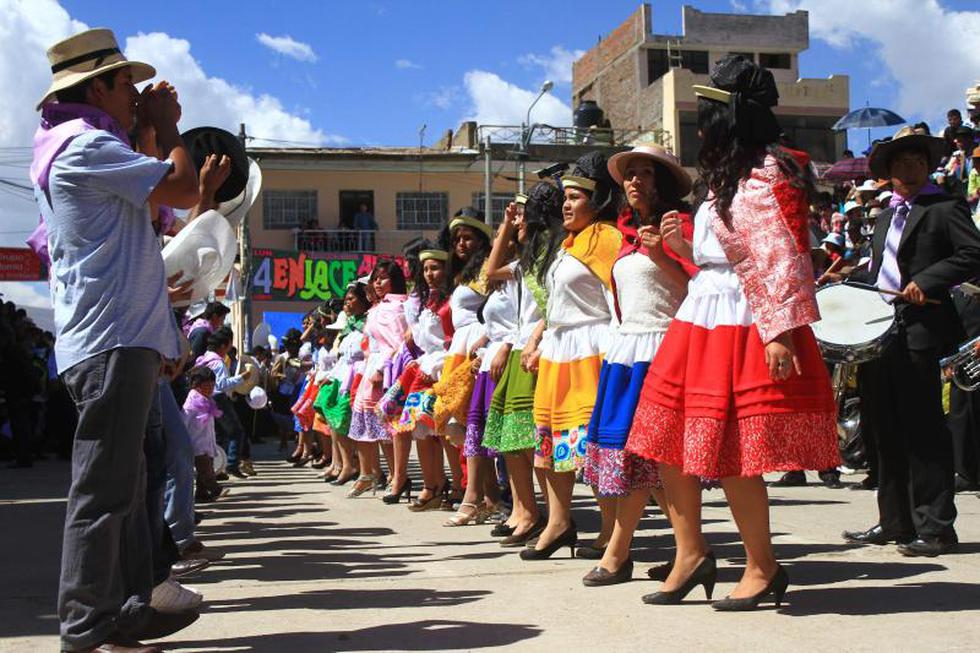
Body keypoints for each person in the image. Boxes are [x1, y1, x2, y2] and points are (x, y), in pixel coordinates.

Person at [626, 55, 840, 609]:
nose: (701, 127)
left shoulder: (772, 172)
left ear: (731, 118)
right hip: (702, 314)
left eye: (708, 116)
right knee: (666, 438)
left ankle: (762, 566)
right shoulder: (728, 177)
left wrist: (778, 330)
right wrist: (680, 250)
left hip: (745, 317)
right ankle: (690, 553)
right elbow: (724, 257)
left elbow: (783, 255)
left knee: (734, 451)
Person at [32, 28, 202, 651]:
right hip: (111, 343)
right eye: (127, 83)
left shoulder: (87, 146)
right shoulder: (85, 145)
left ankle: (126, 610)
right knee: (104, 493)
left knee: (126, 491)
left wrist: (147, 133)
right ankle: (86, 626)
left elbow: (145, 225)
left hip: (117, 340)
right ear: (97, 88)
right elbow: (183, 188)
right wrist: (169, 127)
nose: (135, 94)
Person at [843, 125, 980, 557]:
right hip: (879, 331)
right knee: (883, 427)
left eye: (919, 161)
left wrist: (928, 280)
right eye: (903, 162)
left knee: (924, 429)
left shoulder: (945, 208)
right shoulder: (885, 215)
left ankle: (936, 527)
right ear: (889, 171)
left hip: (921, 330)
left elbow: (972, 253)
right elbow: (880, 270)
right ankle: (894, 520)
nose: (912, 168)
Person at [581, 143, 691, 585]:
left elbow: (701, 287)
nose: (634, 180)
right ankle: (691, 551)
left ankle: (618, 552)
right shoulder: (626, 234)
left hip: (665, 350)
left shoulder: (679, 226)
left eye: (645, 172)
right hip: (628, 353)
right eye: (630, 173)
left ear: (662, 182)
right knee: (644, 461)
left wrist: (663, 254)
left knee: (645, 456)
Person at [519, 151, 623, 560]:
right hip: (559, 351)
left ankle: (611, 528)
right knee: (548, 446)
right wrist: (540, 340)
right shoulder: (569, 243)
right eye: (565, 197)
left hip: (592, 349)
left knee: (591, 445)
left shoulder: (606, 238)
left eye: (576, 197)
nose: (566, 204)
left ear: (597, 202)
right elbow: (556, 306)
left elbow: (617, 299)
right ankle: (559, 523)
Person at [482, 185, 563, 546]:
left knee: (532, 438)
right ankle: (524, 510)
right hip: (519, 348)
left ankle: (545, 514)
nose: (517, 223)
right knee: (511, 440)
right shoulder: (526, 261)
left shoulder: (552, 255)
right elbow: (490, 271)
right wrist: (503, 225)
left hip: (538, 347)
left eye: (521, 217)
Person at [432, 208, 494, 519]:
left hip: (478, 349)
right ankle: (488, 497)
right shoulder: (462, 275)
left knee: (473, 424)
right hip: (459, 349)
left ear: (482, 240)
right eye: (457, 238)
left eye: (468, 238)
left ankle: (475, 497)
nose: (461, 243)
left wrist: (485, 342)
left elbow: (499, 309)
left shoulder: (488, 269)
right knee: (461, 426)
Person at [347, 261, 409, 497]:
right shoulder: (378, 308)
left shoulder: (396, 307)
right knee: (366, 423)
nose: (377, 284)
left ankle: (396, 475)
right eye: (375, 279)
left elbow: (398, 343)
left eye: (382, 278)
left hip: (387, 370)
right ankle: (371, 474)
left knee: (386, 426)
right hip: (371, 369)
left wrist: (383, 370)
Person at [315, 283, 370, 486]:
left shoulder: (368, 323)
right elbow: (343, 357)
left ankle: (360, 467)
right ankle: (346, 464)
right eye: (346, 300)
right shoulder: (349, 326)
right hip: (343, 377)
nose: (346, 303)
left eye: (351, 299)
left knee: (348, 420)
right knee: (335, 418)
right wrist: (331, 376)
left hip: (359, 376)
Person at [183, 366, 223, 502]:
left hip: (206, 443)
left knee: (205, 469)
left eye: (212, 385)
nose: (210, 389)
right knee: (205, 470)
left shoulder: (208, 400)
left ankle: (202, 494)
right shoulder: (191, 404)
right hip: (196, 445)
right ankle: (215, 488)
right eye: (207, 386)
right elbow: (184, 422)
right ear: (196, 385)